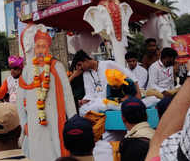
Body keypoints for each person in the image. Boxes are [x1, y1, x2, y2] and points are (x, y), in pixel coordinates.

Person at [17, 29, 76, 161]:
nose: (40, 50)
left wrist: (73, 121)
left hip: (54, 120)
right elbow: (20, 100)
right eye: (38, 46)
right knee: (35, 152)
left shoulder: (57, 67)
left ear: (48, 48)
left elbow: (67, 95)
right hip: (33, 122)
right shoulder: (27, 71)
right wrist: (24, 123)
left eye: (43, 46)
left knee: (55, 149)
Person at [72, 50, 139, 116]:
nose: (80, 68)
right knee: (82, 111)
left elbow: (130, 76)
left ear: (86, 60)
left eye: (80, 65)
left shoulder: (108, 64)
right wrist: (83, 101)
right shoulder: (86, 73)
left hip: (111, 100)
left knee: (102, 106)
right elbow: (90, 93)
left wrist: (138, 94)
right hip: (97, 103)